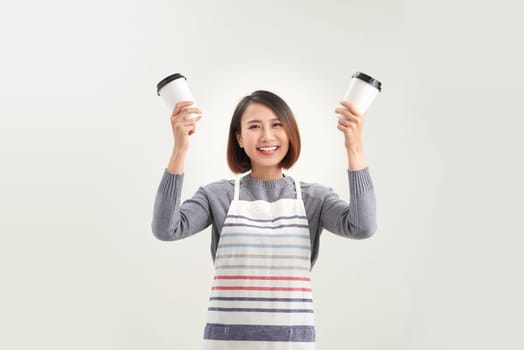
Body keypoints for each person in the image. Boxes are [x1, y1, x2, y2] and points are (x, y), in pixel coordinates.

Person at [151, 90, 377, 349]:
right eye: (254, 126)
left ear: (290, 133)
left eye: (277, 125)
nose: (267, 136)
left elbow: (362, 226)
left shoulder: (314, 198)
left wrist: (354, 146)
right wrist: (180, 148)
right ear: (239, 138)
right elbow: (166, 228)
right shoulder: (217, 196)